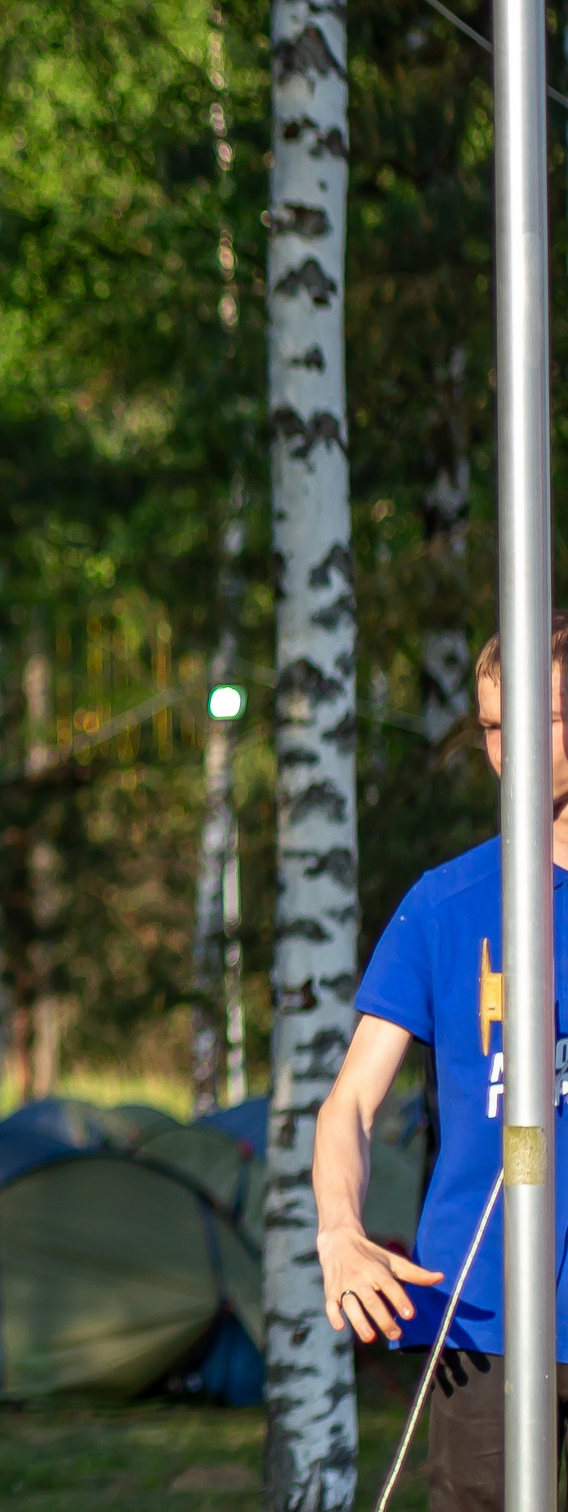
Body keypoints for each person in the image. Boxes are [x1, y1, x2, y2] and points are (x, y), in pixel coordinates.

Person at [316, 616, 568, 1512]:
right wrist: (339, 1229)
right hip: (483, 1318)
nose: (510, 749)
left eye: (540, 720)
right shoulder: (445, 903)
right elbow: (349, 1104)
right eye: (495, 727)